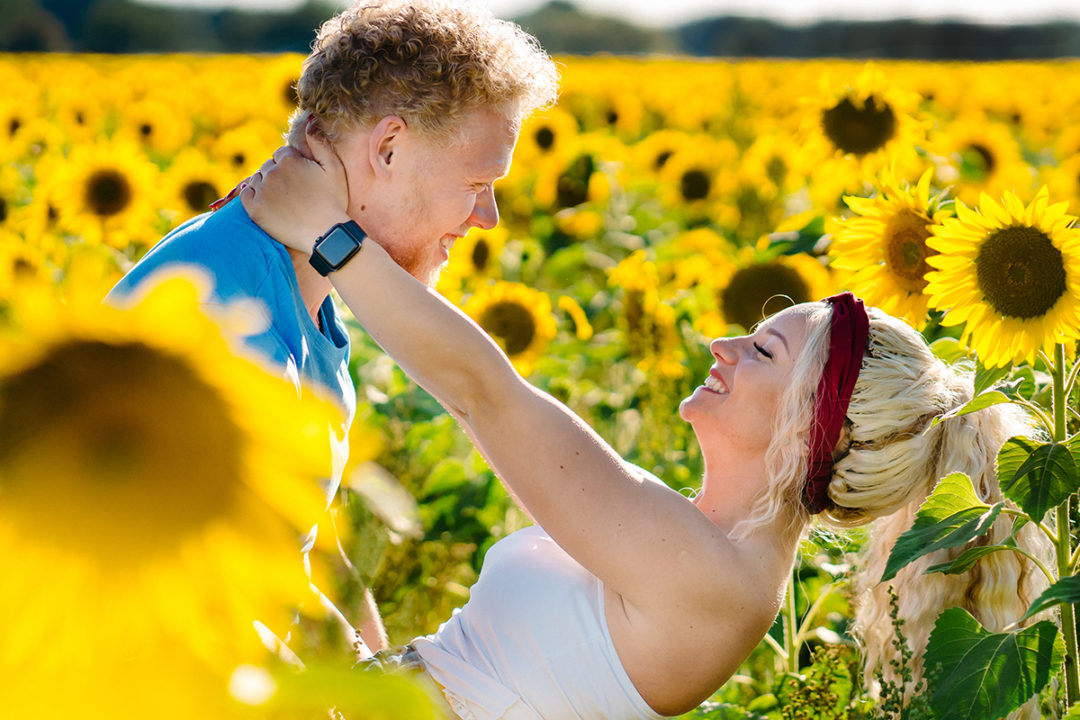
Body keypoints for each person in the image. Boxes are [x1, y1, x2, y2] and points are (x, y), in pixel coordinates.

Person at [239, 131, 1051, 719]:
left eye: (763, 349)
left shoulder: (715, 583)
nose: (722, 343)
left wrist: (330, 236)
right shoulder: (690, 537)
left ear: (807, 430)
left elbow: (485, 394)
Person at [105, 0, 559, 657]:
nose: (487, 216)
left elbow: (304, 541)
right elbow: (184, 602)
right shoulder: (219, 315)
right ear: (390, 148)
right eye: (477, 182)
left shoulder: (297, 284)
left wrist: (372, 677)